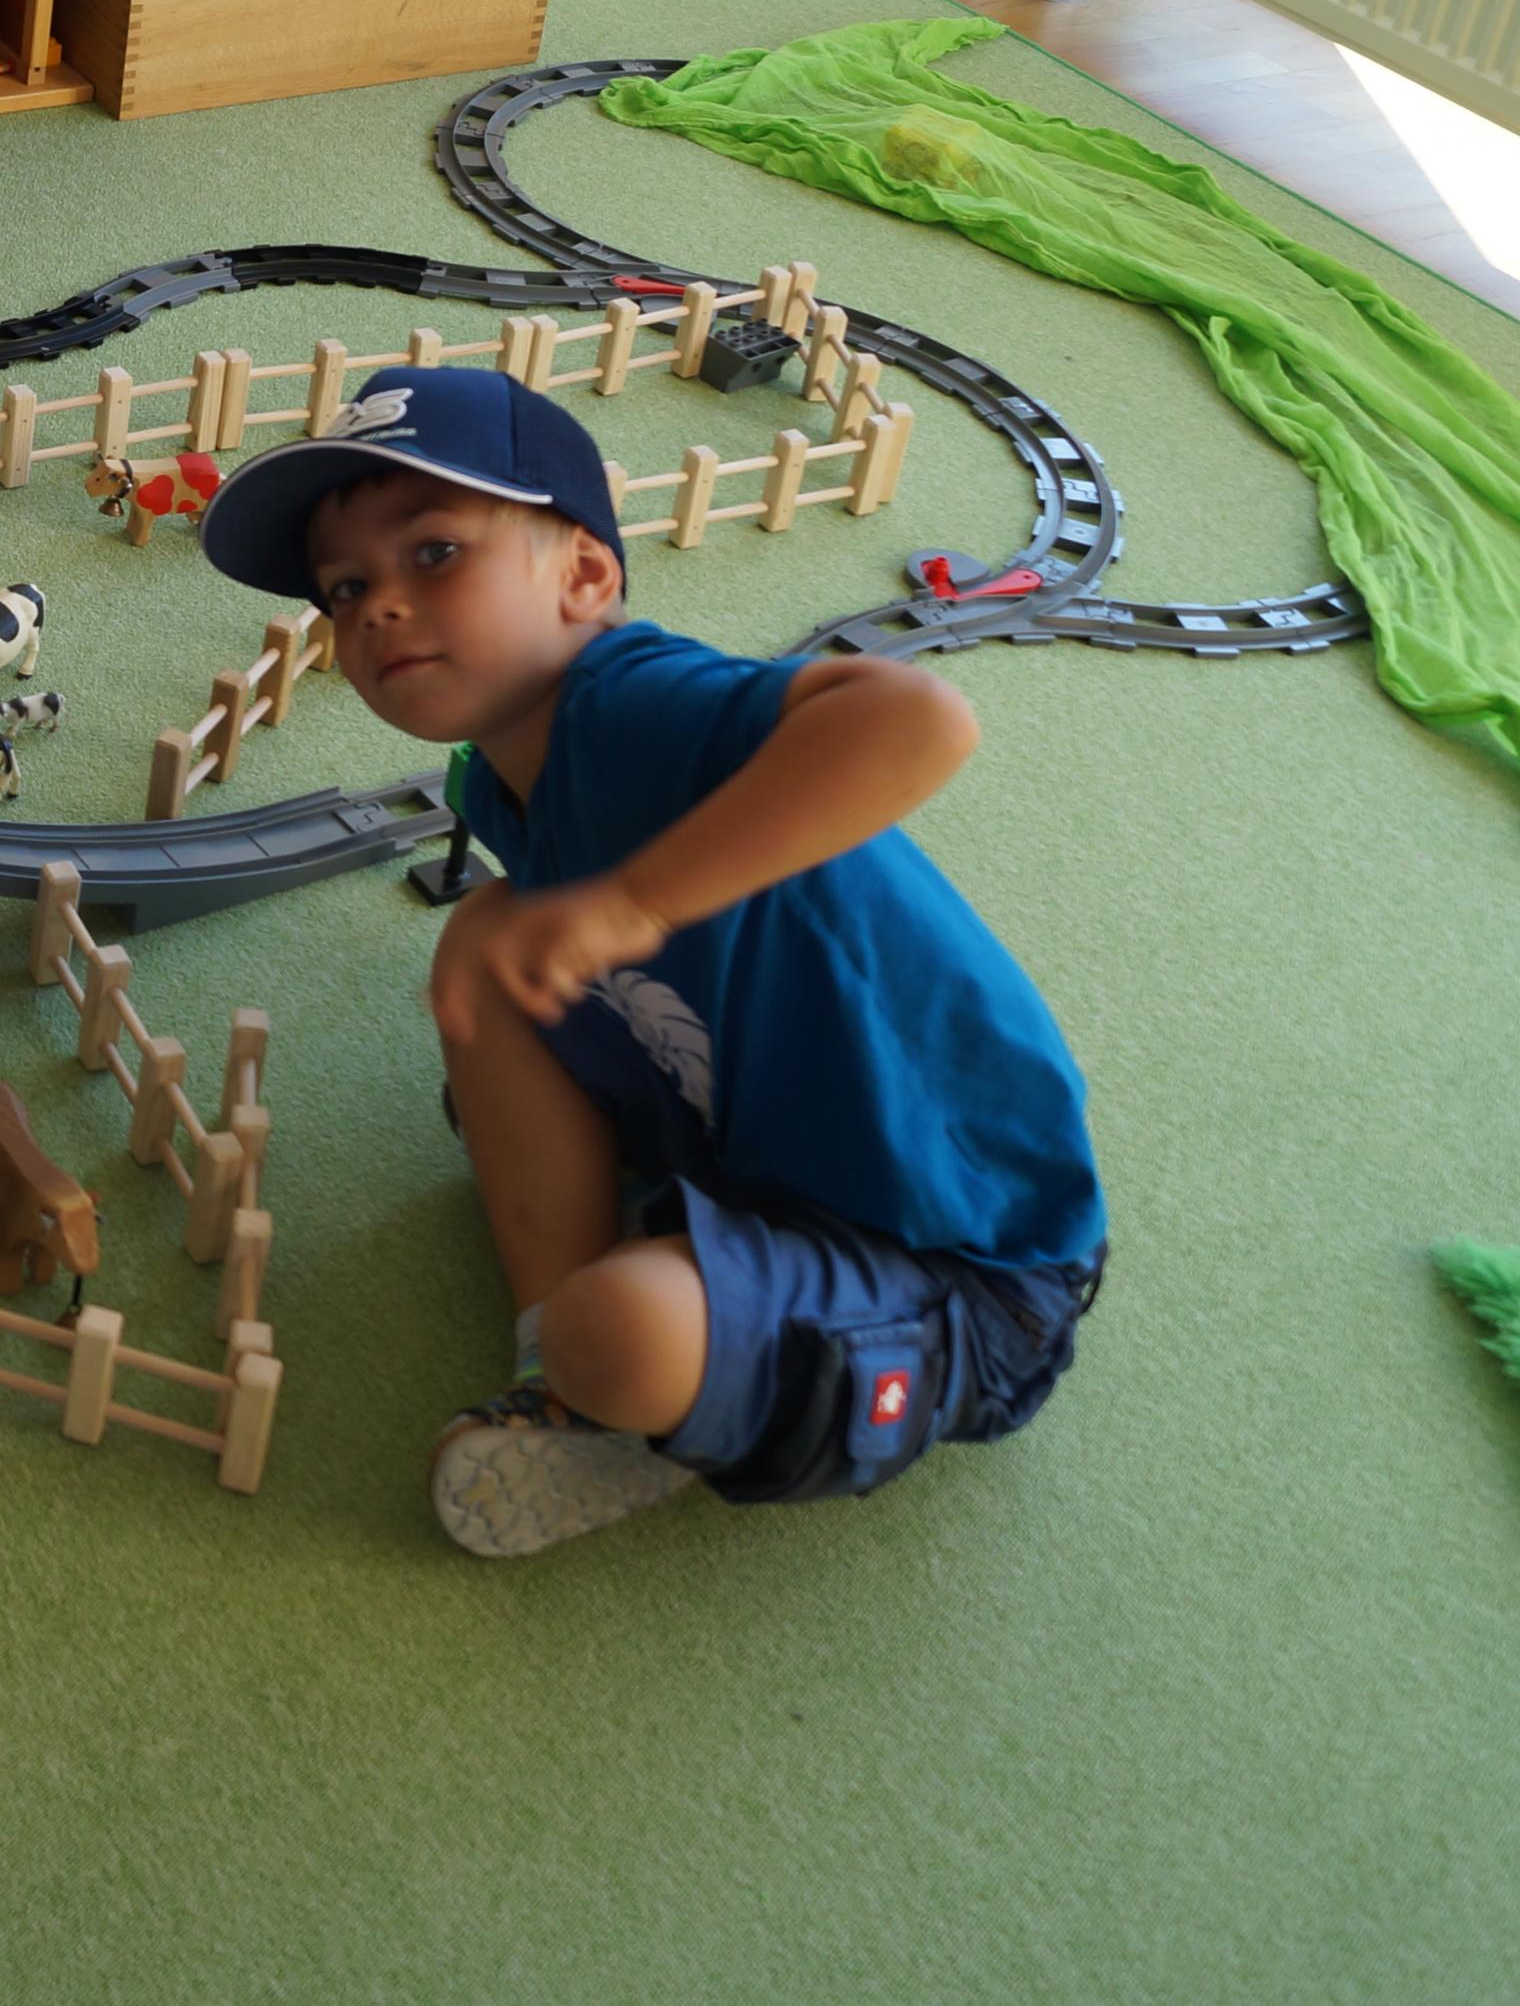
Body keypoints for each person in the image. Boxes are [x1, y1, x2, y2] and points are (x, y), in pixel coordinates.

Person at [198, 366, 1104, 1555]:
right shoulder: (498, 778)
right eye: (345, 587)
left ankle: (619, 1349)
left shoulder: (633, 696)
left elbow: (921, 721)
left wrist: (632, 903)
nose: (374, 609)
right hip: (747, 1146)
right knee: (486, 939)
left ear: (584, 577)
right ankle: (557, 1368)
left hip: (959, 1253)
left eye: (434, 553)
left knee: (622, 1332)